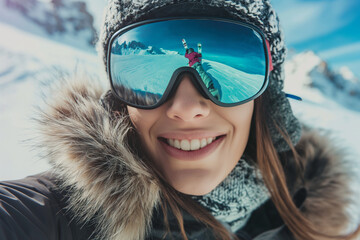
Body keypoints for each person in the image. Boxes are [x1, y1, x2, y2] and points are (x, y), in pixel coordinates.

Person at [1, 1, 359, 240]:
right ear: (117, 102)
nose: (187, 107)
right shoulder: (59, 216)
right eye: (139, 81)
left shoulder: (304, 218)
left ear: (267, 100)